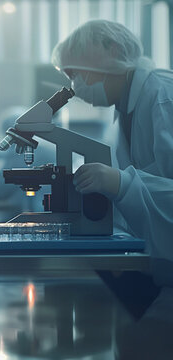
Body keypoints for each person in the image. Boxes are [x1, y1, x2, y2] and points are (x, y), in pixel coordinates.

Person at [51, 19, 173, 286]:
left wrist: (121, 182)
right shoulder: (125, 107)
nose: (75, 86)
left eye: (78, 74)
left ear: (114, 52)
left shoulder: (164, 97)